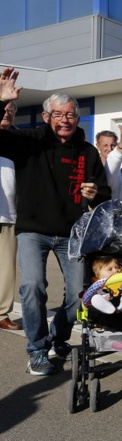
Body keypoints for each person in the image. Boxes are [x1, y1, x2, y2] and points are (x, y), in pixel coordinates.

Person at [0, 67, 111, 375]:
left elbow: (103, 192)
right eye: (58, 114)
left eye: (71, 115)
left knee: (78, 297)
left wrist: (94, 192)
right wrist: (1, 101)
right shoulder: (31, 142)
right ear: (47, 117)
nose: (65, 119)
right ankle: (36, 350)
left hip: (72, 233)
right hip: (33, 230)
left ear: (77, 119)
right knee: (33, 286)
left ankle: (57, 337)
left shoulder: (88, 152)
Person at [0, 99, 22, 331]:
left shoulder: (18, 141)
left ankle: (2, 313)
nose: (7, 113)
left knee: (5, 269)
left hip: (10, 215)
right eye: (4, 109)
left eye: (11, 110)